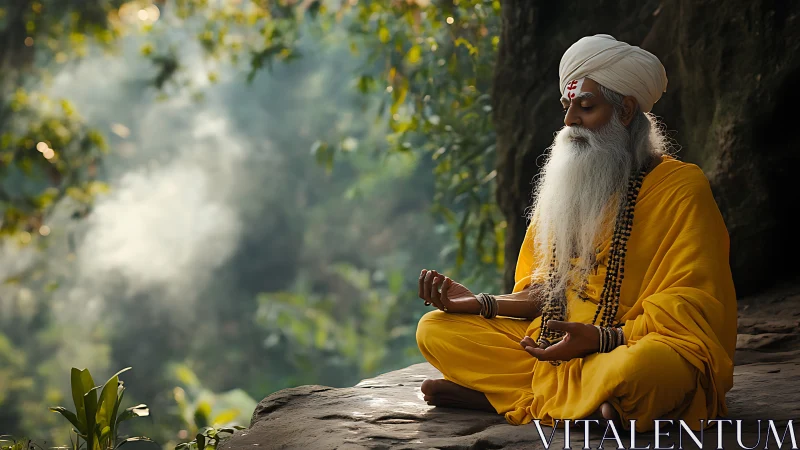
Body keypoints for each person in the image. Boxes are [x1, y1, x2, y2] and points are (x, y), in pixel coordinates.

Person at [415, 34, 737, 432]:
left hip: (626, 346)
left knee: (648, 370)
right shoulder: (568, 186)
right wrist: (481, 303)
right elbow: (546, 292)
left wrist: (602, 339)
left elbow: (692, 305)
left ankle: (512, 398)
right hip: (551, 347)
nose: (569, 122)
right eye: (568, 107)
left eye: (586, 107)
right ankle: (589, 405)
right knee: (436, 330)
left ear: (625, 111)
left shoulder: (680, 187)